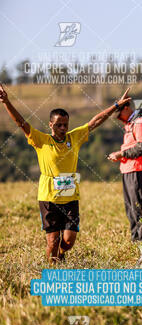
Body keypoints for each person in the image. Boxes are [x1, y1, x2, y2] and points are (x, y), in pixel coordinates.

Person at [0, 83, 131, 264]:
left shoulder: (74, 137)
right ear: (51, 125)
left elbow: (95, 121)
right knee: (52, 241)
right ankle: (53, 270)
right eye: (59, 125)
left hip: (70, 197)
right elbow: (21, 123)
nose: (63, 128)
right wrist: (6, 101)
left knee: (68, 241)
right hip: (48, 197)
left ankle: (61, 254)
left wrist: (116, 106)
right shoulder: (41, 140)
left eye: (66, 124)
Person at [108, 100, 142, 241]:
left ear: (127, 108)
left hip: (139, 170)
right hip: (128, 170)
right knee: (130, 208)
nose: (117, 118)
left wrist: (121, 154)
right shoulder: (129, 124)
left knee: (139, 206)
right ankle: (135, 238)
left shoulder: (140, 123)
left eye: (119, 114)